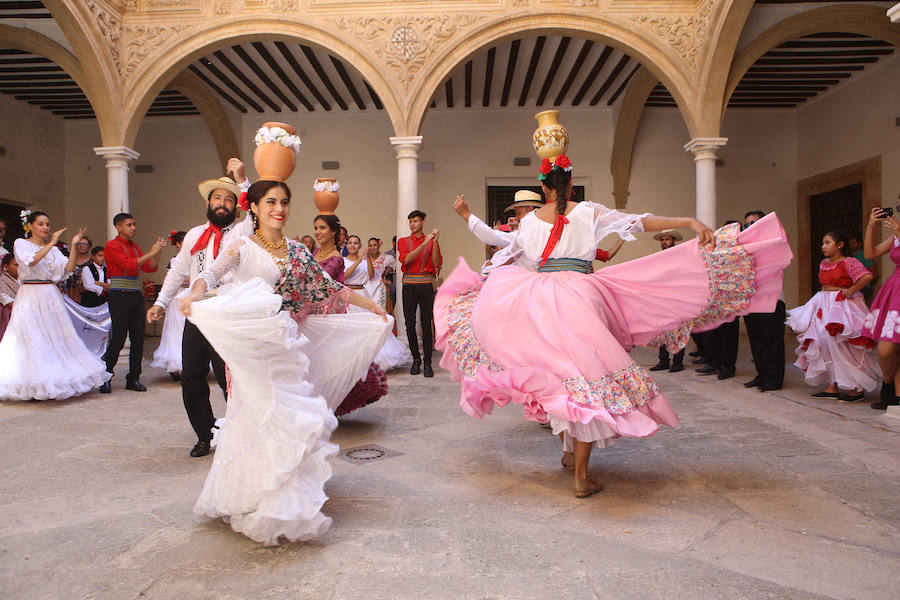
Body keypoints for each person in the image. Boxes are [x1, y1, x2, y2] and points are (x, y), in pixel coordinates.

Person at [434, 154, 792, 497]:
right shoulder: (590, 212)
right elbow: (639, 221)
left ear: (544, 189)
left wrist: (475, 235)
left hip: (540, 302)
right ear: (571, 183)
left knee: (560, 377)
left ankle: (569, 453)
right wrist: (688, 221)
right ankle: (580, 474)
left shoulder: (528, 222)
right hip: (582, 297)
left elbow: (508, 251)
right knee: (587, 377)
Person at [178, 179, 390, 545]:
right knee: (260, 416)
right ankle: (255, 494)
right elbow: (211, 273)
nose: (279, 208)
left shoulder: (297, 250)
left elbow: (327, 286)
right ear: (255, 208)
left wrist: (371, 305)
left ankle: (288, 496)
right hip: (254, 350)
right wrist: (195, 291)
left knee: (290, 418)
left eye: (285, 202)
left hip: (288, 348)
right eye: (271, 202)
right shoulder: (241, 247)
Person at [147, 164, 253, 457]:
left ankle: (241, 431)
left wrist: (242, 180)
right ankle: (204, 434)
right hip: (197, 314)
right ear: (208, 203)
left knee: (228, 377)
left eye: (229, 199)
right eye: (218, 198)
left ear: (236, 206)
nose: (222, 204)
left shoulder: (243, 231)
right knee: (192, 377)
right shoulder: (194, 235)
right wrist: (160, 303)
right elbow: (177, 271)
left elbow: (256, 213)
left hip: (227, 312)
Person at [0, 210, 110, 400]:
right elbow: (31, 261)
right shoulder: (21, 244)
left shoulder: (54, 250)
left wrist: (74, 246)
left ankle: (53, 379)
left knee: (52, 335)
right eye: (41, 224)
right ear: (30, 226)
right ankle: (32, 381)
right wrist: (52, 242)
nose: (45, 228)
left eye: (47, 225)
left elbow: (67, 269)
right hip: (30, 293)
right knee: (31, 335)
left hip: (49, 293)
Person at [786, 230, 878, 402]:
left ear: (840, 245)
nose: (823, 246)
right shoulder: (823, 263)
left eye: (827, 242)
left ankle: (856, 387)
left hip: (843, 306)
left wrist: (850, 291)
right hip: (824, 304)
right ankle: (832, 385)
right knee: (823, 341)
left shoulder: (849, 262)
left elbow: (867, 276)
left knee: (844, 343)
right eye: (823, 243)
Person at [315, 215, 389, 414]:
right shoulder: (314, 253)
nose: (318, 232)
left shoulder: (337, 258)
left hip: (333, 309)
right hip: (314, 311)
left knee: (332, 357)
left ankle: (332, 401)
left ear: (333, 233)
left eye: (322, 228)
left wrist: (371, 304)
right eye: (316, 227)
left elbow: (326, 282)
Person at [100, 213, 166, 394]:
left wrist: (157, 252)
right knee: (119, 336)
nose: (133, 228)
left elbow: (149, 267)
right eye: (129, 225)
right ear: (119, 227)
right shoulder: (111, 245)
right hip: (119, 294)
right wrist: (151, 253)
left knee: (138, 338)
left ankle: (133, 377)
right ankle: (105, 376)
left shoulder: (134, 246)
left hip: (135, 294)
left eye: (134, 224)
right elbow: (128, 266)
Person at [742, 210, 787, 392]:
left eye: (754, 223)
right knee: (756, 339)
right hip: (751, 299)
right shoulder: (745, 246)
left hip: (773, 298)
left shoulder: (775, 242)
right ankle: (761, 374)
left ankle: (774, 379)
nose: (750, 227)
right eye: (747, 225)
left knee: (772, 339)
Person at [694, 219, 743, 381]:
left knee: (729, 335)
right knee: (712, 333)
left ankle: (728, 366)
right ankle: (713, 361)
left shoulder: (740, 250)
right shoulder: (717, 249)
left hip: (731, 301)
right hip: (715, 300)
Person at [862, 205, 900, 410]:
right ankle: (888, 385)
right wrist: (871, 226)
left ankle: (896, 394)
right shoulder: (895, 236)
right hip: (895, 290)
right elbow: (870, 253)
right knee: (886, 349)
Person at [355, 236, 411, 370]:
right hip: (366, 289)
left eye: (375, 245)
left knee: (380, 319)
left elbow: (397, 269)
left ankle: (384, 355)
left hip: (379, 289)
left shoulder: (387, 258)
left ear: (379, 246)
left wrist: (388, 278)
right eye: (370, 245)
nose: (373, 247)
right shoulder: (362, 258)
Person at [398, 209, 442, 377]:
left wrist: (435, 242)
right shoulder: (403, 241)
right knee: (409, 324)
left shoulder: (432, 242)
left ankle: (428, 362)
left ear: (423, 222)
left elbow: (436, 263)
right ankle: (416, 360)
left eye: (415, 221)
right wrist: (425, 243)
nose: (412, 224)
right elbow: (406, 260)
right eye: (410, 221)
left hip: (425, 285)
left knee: (426, 324)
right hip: (409, 284)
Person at [151, 230, 189, 382]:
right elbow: (179, 280)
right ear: (178, 243)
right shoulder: (175, 261)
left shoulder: (193, 258)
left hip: (190, 297)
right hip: (178, 298)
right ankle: (177, 364)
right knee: (176, 330)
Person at [648, 230, 686, 373]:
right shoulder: (658, 257)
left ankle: (678, 362)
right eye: (662, 239)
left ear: (674, 240)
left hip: (677, 297)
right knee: (662, 331)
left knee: (678, 330)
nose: (664, 242)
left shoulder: (679, 255)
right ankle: (663, 361)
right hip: (662, 298)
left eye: (667, 239)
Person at [848, 231, 878, 303]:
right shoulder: (849, 256)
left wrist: (866, 285)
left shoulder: (864, 256)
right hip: (852, 288)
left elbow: (875, 274)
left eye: (853, 243)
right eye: (850, 243)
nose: (851, 245)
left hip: (862, 289)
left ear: (859, 244)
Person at [0, 253, 19, 341]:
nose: (19, 267)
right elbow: (8, 301)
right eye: (16, 265)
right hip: (11, 314)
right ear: (6, 266)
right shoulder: (2, 280)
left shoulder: (24, 279)